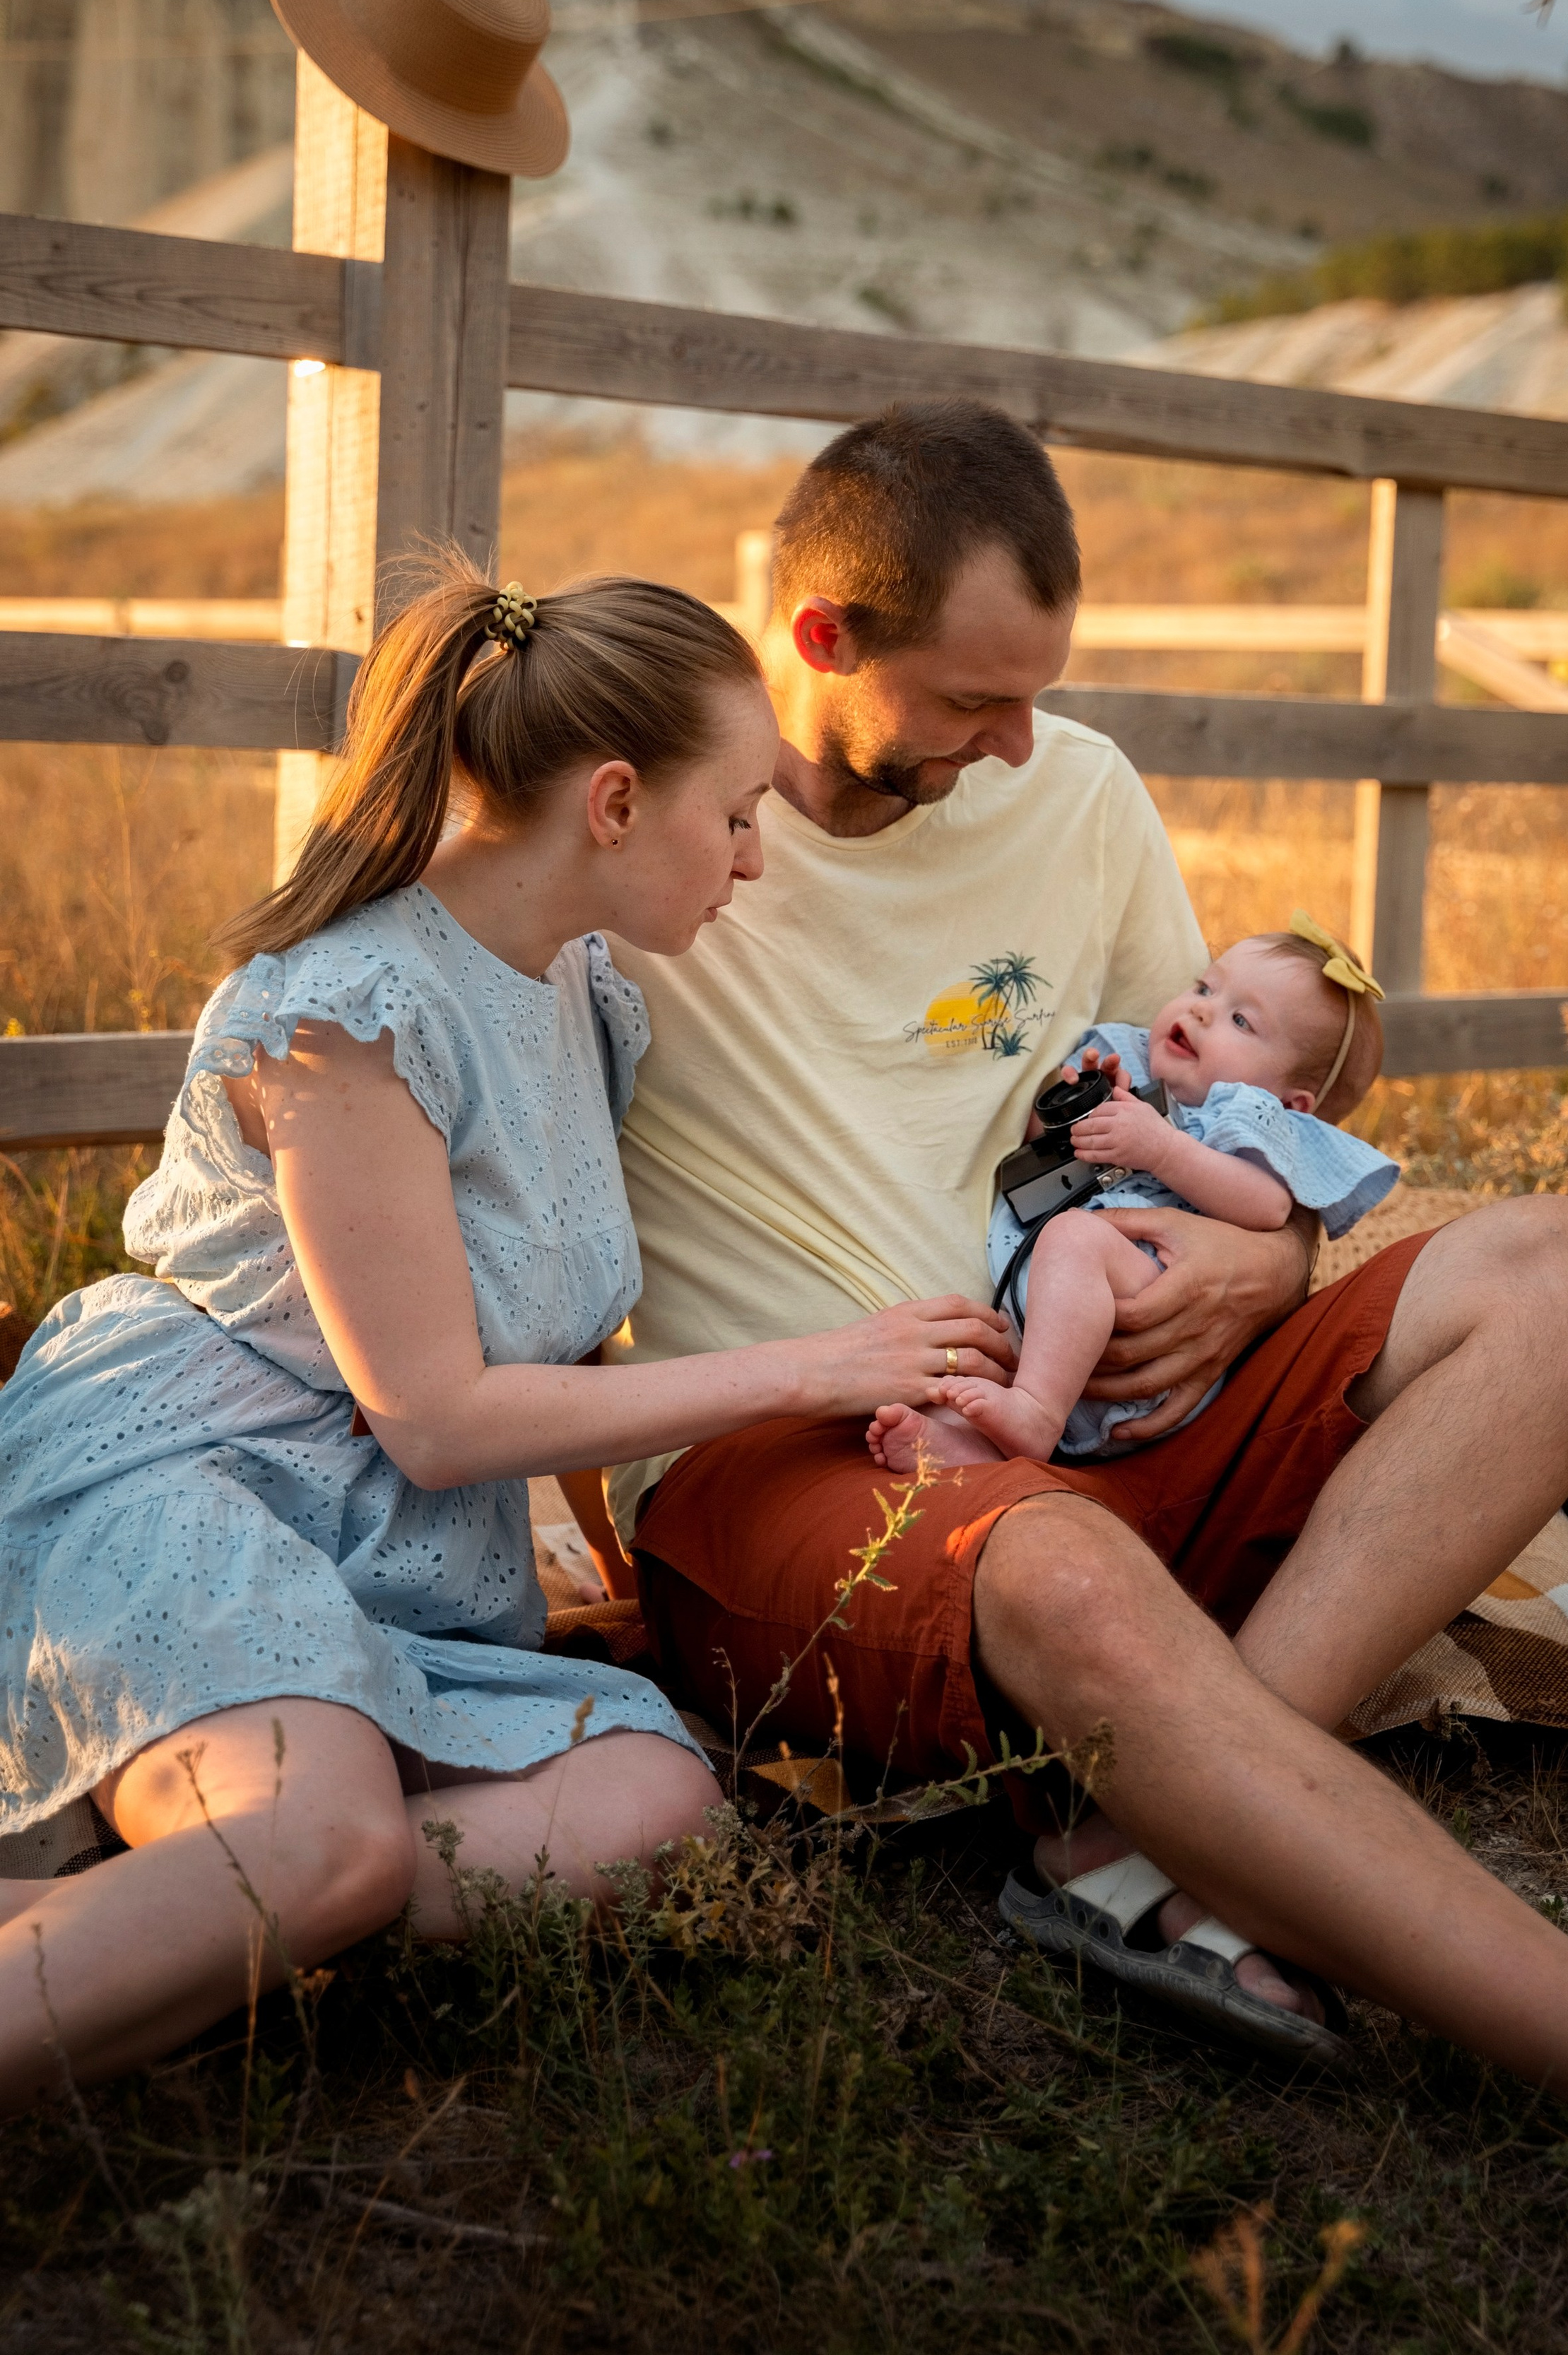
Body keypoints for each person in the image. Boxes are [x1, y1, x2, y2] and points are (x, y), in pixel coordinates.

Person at [570, 399, 1568, 2295]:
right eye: (974, 702)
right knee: (1058, 1566)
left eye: (1036, 696)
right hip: (817, 1467)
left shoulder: (1071, 787)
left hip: (1099, 1397)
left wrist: (1278, 1257)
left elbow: (1216, 1106)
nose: (1015, 745)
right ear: (820, 641)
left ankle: (1135, 1843)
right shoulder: (661, 828)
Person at [0, 563, 1010, 2115]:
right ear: (613, 802)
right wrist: (823, 1364)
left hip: (400, 1552)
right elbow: (436, 1415)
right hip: (202, 1488)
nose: (753, 858)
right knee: (331, 1845)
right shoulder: (343, 1013)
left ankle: (169, 1907)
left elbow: (546, 1347)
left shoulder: (575, 988)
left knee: (656, 1799)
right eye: (734, 814)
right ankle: (247, 1879)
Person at [868, 922, 1398, 1472]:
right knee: (975, 1370)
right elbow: (1030, 1147)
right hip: (1046, 1330)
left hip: (1144, 1337)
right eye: (1204, 988)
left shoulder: (1247, 1116)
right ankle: (961, 1444)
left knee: (1075, 1239)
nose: (1201, 1012)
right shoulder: (1129, 1061)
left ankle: (1034, 1416)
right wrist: (1076, 1110)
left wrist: (1165, 1150)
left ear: (1294, 1102)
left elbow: (1268, 1208)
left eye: (1241, 1020)